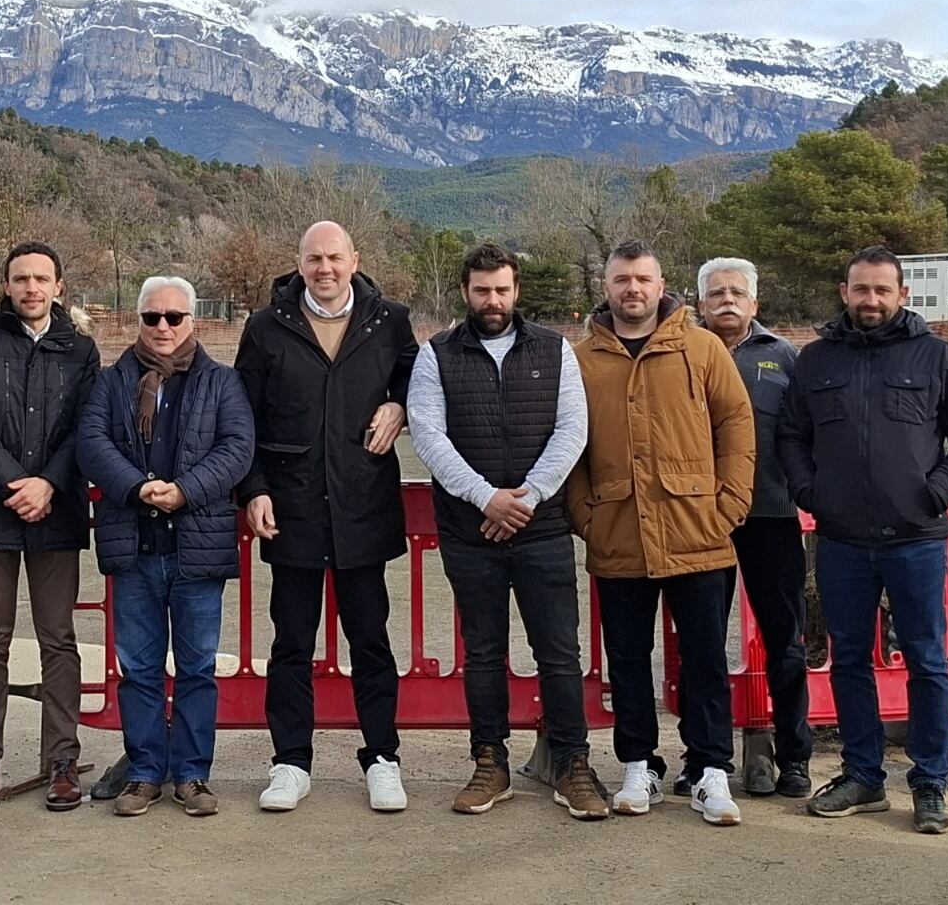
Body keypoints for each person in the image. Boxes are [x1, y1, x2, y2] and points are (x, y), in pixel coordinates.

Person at [779, 246, 948, 835]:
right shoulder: (817, 360)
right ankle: (863, 776)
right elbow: (792, 436)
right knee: (848, 659)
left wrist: (937, 490)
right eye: (860, 290)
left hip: (917, 538)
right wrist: (810, 492)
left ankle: (929, 783)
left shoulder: (936, 356)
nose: (870, 300)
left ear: (902, 295)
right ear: (843, 293)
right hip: (842, 539)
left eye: (881, 290)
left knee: (926, 660)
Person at [407, 242, 608, 818]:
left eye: (501, 289)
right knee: (485, 653)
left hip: (542, 529)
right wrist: (485, 498)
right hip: (471, 533)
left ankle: (572, 764)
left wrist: (529, 497)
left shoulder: (555, 349)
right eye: (480, 290)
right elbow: (429, 436)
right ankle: (490, 762)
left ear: (516, 290)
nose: (491, 300)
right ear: (465, 292)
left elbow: (573, 430)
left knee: (560, 654)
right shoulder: (436, 354)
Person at [567, 240, 755, 826]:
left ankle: (709, 769)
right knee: (627, 657)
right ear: (606, 286)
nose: (632, 289)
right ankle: (637, 764)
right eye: (621, 279)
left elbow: (735, 423)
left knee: (704, 657)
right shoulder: (580, 359)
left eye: (642, 279)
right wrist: (587, 517)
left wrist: (729, 505)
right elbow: (567, 447)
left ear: (660, 282)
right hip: (617, 532)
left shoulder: (700, 348)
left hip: (698, 530)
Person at [236, 221, 418, 813]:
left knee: (371, 639)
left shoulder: (389, 319)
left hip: (363, 503)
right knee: (291, 642)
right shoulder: (266, 326)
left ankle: (383, 758)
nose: (325, 268)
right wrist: (254, 489)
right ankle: (290, 762)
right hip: (291, 508)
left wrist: (399, 404)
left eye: (335, 257)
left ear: (354, 259)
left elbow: (421, 380)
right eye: (314, 258)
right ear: (299, 262)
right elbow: (243, 419)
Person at [78, 275, 255, 817]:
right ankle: (145, 772)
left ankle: (194, 775)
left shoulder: (222, 382)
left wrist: (185, 491)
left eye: (173, 318)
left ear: (192, 321)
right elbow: (91, 443)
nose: (162, 327)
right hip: (135, 544)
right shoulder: (112, 382)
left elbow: (237, 448)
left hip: (196, 545)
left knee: (198, 667)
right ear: (138, 320)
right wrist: (138, 488)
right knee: (139, 667)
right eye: (152, 317)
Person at [0, 243, 99, 813]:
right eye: (20, 278)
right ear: (5, 286)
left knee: (59, 639)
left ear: (59, 286)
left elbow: (88, 425)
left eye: (42, 278)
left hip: (55, 514)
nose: (31, 287)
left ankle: (61, 760)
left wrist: (49, 485)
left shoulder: (80, 350)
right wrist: (16, 483)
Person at [697, 256, 812, 799]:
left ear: (755, 303)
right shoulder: (683, 353)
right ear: (700, 302)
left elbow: (805, 433)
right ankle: (705, 758)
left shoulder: (785, 357)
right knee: (704, 644)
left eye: (736, 293)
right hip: (702, 520)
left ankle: (794, 757)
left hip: (771, 514)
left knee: (786, 642)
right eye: (716, 293)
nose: (726, 300)